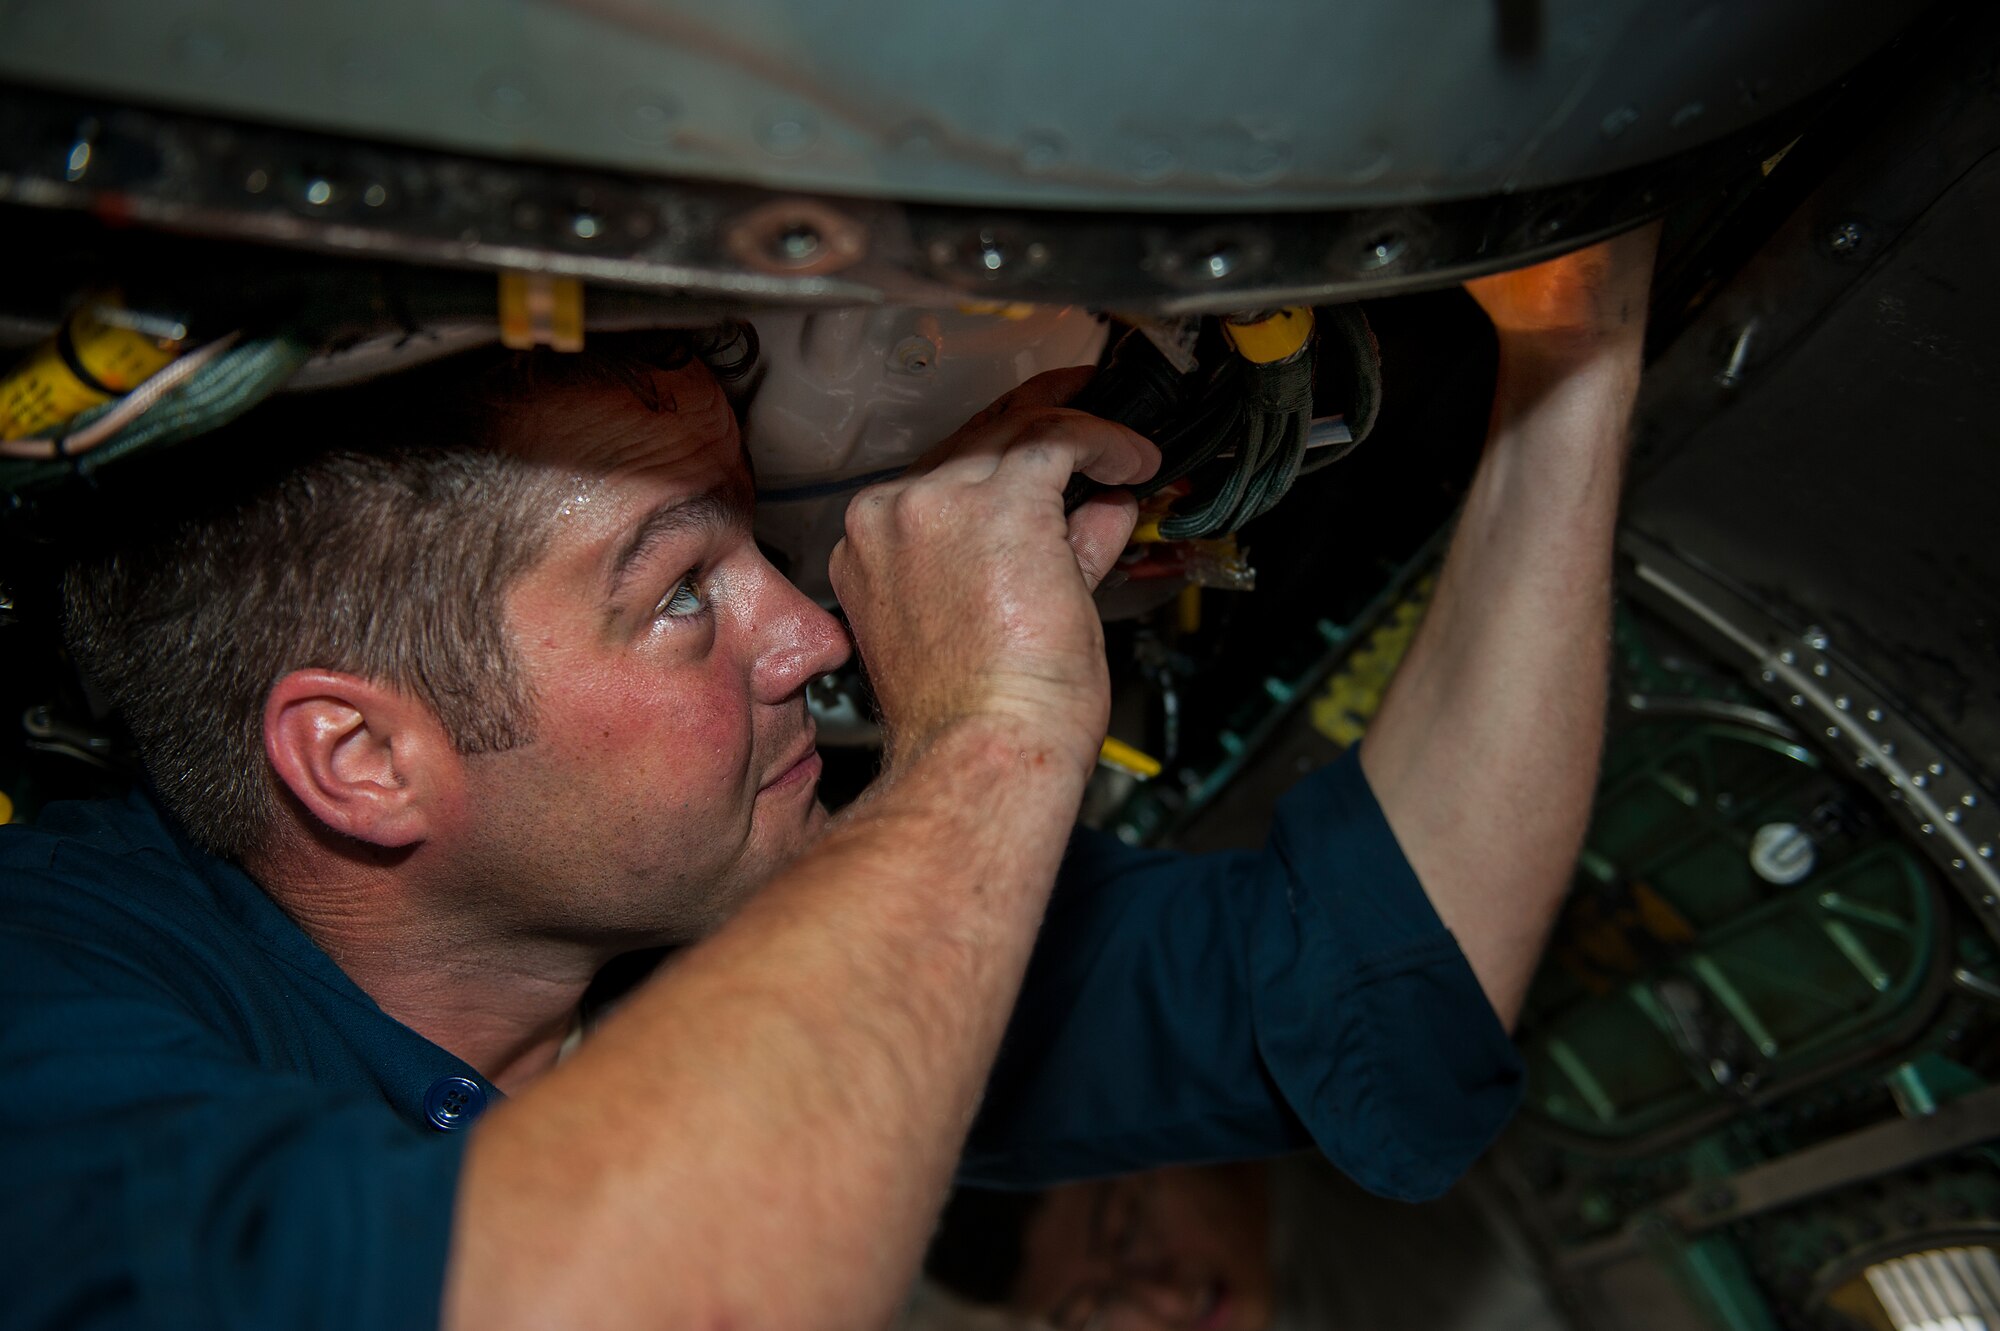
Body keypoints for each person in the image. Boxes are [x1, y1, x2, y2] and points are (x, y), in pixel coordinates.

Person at [0, 226, 1656, 1330]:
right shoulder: (46, 1012)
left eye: (756, 547)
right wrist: (993, 729)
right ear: (360, 759)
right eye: (679, 594)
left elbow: (1400, 982)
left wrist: (1573, 359)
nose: (809, 630)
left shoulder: (722, 911)